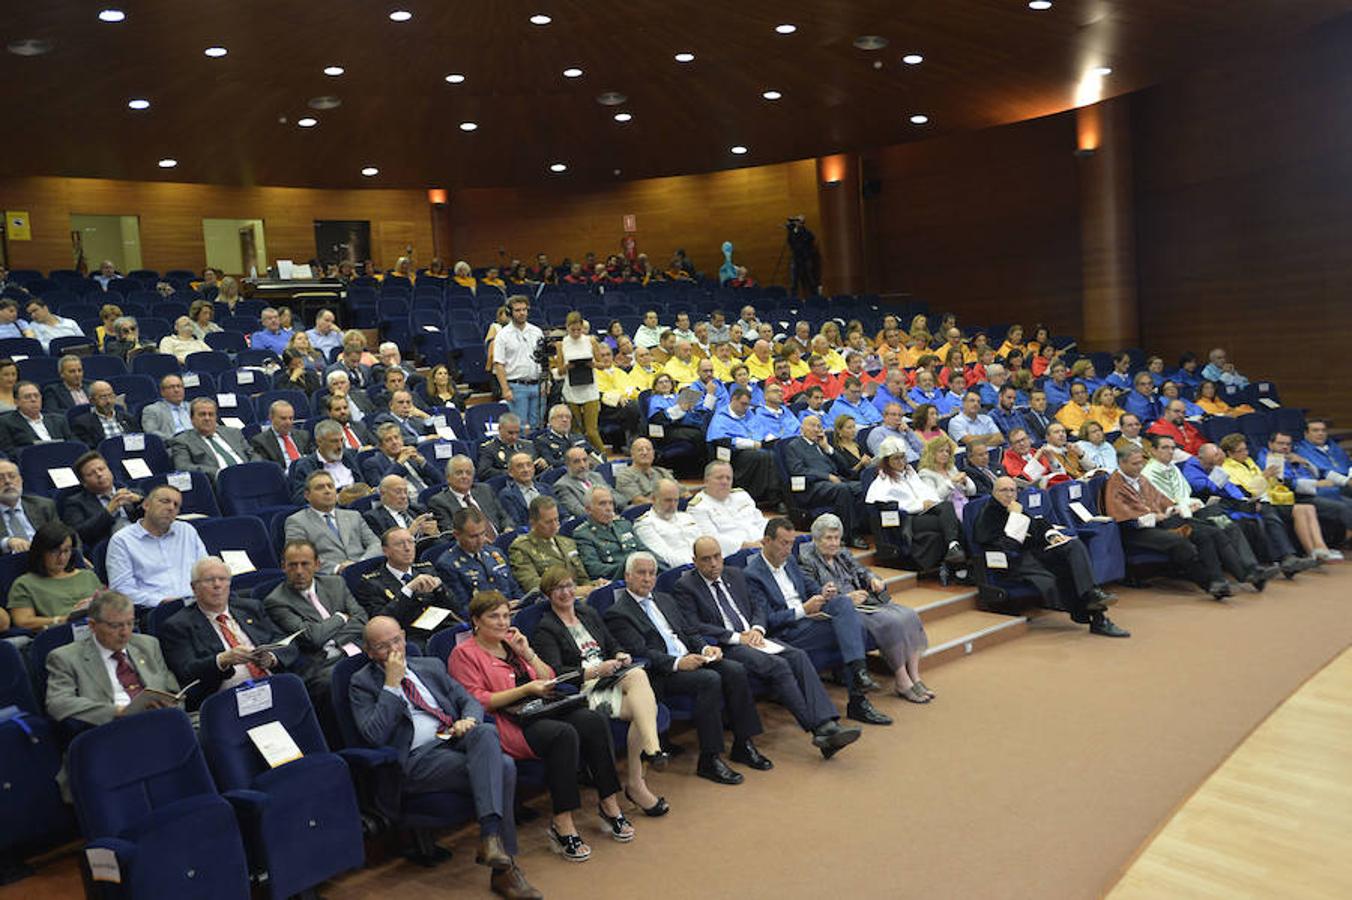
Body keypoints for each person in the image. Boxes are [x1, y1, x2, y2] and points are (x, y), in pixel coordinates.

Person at [352, 616, 539, 896]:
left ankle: (492, 842)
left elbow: (469, 701)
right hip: (418, 759)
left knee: (485, 731)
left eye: (396, 641)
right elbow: (374, 734)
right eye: (382, 646)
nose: (393, 650)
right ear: (368, 651)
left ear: (404, 636)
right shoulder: (361, 683)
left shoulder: (430, 666)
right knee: (504, 766)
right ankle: (504, 866)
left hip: (455, 739)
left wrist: (468, 720)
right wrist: (391, 685)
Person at [450, 591, 632, 863]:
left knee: (593, 721)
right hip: (509, 721)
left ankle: (609, 803)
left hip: (542, 707)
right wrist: (524, 689)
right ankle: (562, 823)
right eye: (494, 617)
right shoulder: (463, 654)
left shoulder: (511, 643)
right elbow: (477, 700)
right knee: (563, 734)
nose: (502, 622)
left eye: (506, 616)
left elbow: (549, 677)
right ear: (476, 621)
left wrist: (528, 653)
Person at [673, 536, 862, 757]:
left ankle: (828, 723)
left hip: (756, 637)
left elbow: (758, 606)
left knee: (798, 656)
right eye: (706, 559)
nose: (714, 563)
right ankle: (819, 730)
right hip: (728, 646)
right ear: (695, 561)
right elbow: (694, 626)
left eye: (717, 556)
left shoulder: (735, 574)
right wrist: (737, 638)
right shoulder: (685, 587)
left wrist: (757, 629)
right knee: (778, 665)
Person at [604, 552, 768, 784]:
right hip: (661, 674)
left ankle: (743, 743)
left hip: (691, 659)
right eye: (641, 573)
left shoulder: (664, 599)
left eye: (652, 573)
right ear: (628, 576)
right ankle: (709, 759)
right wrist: (678, 663)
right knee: (709, 680)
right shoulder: (618, 613)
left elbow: (690, 632)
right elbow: (641, 652)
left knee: (734, 670)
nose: (647, 578)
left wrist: (705, 649)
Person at [531, 565, 668, 816]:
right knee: (645, 705)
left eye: (569, 585)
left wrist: (620, 654)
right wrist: (595, 671)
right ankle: (645, 766)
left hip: (611, 677)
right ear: (548, 594)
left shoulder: (588, 613)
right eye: (558, 588)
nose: (566, 592)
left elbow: (611, 643)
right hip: (584, 690)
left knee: (639, 685)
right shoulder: (546, 628)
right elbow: (556, 672)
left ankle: (642, 771)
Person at [745, 518, 891, 725]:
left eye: (791, 544)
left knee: (843, 604)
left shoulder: (790, 561)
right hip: (787, 631)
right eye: (783, 543)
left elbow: (811, 587)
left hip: (808, 621)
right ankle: (858, 697)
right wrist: (803, 610)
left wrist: (824, 592)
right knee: (854, 628)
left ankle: (858, 676)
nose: (788, 549)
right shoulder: (752, 574)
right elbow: (767, 621)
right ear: (766, 541)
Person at [798, 513, 934, 701]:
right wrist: (846, 599)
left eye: (837, 538)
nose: (834, 543)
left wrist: (872, 579)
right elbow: (814, 594)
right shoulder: (806, 560)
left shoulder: (842, 553)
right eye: (828, 538)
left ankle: (915, 676)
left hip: (864, 601)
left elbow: (860, 570)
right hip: (842, 609)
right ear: (816, 539)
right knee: (891, 622)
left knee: (909, 615)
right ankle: (902, 680)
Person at [974, 478, 1127, 636]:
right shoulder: (988, 514)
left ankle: (1092, 593)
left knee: (1073, 546)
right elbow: (1008, 545)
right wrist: (1015, 517)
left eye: (1012, 490)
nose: (1009, 495)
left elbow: (1039, 525)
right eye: (1003, 490)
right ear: (994, 493)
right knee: (1063, 573)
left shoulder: (1015, 508)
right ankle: (1098, 618)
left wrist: (1052, 535)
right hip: (1014, 562)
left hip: (1035, 554)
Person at [158, 556, 299, 711]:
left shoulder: (250, 608)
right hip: (226, 698)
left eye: (222, 579)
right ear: (194, 587)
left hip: (271, 684)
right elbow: (186, 672)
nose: (217, 585)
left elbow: (285, 642)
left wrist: (271, 658)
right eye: (209, 580)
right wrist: (222, 660)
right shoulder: (178, 626)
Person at [1142, 435, 1279, 590]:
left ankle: (1251, 569)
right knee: (1216, 527)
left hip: (1193, 509)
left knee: (1226, 523)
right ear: (1153, 451)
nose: (1170, 451)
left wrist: (1194, 503)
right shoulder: (1151, 472)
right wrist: (1187, 505)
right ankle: (1246, 574)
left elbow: (1189, 492)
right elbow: (1165, 501)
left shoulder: (1173, 468)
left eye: (1173, 448)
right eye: (1165, 448)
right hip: (1173, 515)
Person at [1104, 446, 1234, 599]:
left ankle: (1218, 579)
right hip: (1135, 530)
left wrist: (1173, 509)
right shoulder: (1114, 484)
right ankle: (1209, 584)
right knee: (1178, 541)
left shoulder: (1141, 479)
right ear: (1121, 463)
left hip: (1158, 522)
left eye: (1141, 463)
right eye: (1135, 464)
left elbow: (1160, 500)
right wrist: (1153, 517)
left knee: (1203, 533)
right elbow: (1123, 518)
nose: (1140, 467)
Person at [45, 590, 179, 728]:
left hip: (160, 722)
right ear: (92, 626)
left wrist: (172, 705)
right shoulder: (66, 657)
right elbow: (58, 703)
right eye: (115, 626)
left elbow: (172, 689)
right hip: (111, 728)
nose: (125, 632)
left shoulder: (148, 645)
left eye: (130, 623)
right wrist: (118, 712)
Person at [264, 539, 369, 711]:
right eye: (293, 565)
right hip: (322, 663)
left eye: (305, 564)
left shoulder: (336, 583)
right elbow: (313, 637)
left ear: (317, 565)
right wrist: (341, 617)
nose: (299, 571)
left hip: (358, 647)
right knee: (332, 682)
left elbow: (362, 618)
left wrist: (333, 639)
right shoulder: (276, 601)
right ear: (283, 567)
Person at [1182, 443, 1316, 576]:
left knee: (1267, 512)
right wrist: (1218, 472)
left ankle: (1287, 558)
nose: (1219, 457)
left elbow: (1230, 488)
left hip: (1231, 503)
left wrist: (1244, 499)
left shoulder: (1216, 468)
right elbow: (1205, 487)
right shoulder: (1191, 469)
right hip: (1208, 508)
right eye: (1215, 455)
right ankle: (1257, 568)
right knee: (1236, 523)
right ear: (1201, 457)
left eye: (1219, 454)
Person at [866, 438, 968, 572]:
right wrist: (920, 505)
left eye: (902, 457)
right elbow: (890, 507)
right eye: (896, 459)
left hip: (925, 512)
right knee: (950, 523)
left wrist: (930, 501)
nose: (901, 462)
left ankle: (953, 547)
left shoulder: (910, 473)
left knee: (947, 507)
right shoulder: (882, 482)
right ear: (887, 461)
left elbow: (926, 491)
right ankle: (959, 564)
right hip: (909, 519)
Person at [106, 485, 206, 611]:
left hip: (198, 604)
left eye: (176, 505)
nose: (171, 508)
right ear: (146, 505)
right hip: (155, 610)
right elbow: (121, 590)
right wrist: (161, 602)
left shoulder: (186, 531)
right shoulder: (122, 540)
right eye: (165, 501)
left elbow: (205, 569)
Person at [351, 526, 462, 639]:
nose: (408, 548)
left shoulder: (426, 569)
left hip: (441, 629)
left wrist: (440, 588)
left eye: (411, 542)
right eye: (400, 544)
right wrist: (408, 590)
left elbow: (456, 607)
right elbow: (382, 622)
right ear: (385, 551)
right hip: (409, 637)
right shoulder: (372, 583)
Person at [784, 415, 867, 548]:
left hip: (834, 482)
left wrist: (827, 448)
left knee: (863, 487)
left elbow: (844, 467)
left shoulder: (822, 445)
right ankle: (850, 535)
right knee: (842, 489)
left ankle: (864, 527)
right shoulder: (794, 446)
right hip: (812, 486)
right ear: (802, 428)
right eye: (812, 425)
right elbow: (798, 470)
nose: (816, 429)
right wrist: (827, 476)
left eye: (819, 426)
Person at [7, 521, 102, 630]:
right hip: (60, 633)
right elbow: (23, 621)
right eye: (55, 551)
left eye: (66, 551)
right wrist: (63, 620)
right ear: (41, 552)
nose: (62, 558)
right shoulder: (25, 584)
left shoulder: (88, 576)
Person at [285, 471, 382, 574]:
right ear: (307, 495)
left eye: (330, 486)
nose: (327, 491)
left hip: (366, 572)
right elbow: (299, 556)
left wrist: (361, 563)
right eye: (320, 488)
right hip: (330, 576)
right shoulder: (296, 521)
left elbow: (375, 544)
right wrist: (338, 568)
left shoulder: (354, 516)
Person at [437, 507, 524, 615]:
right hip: (486, 619)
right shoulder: (447, 564)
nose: (480, 540)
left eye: (483, 533)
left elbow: (514, 589)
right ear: (457, 535)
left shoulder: (495, 553)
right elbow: (462, 608)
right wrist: (502, 609)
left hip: (514, 613)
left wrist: (522, 604)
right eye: (473, 536)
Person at [508, 497, 602, 595]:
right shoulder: (521, 548)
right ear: (533, 523)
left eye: (556, 519)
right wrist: (576, 591)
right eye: (548, 522)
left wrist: (596, 585)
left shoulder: (567, 542)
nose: (554, 526)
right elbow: (533, 586)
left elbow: (583, 579)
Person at [707, 387, 784, 507]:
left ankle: (772, 495)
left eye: (748, 404)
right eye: (743, 404)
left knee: (775, 453)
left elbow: (761, 430)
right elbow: (722, 440)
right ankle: (754, 495)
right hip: (732, 453)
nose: (746, 407)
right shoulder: (721, 416)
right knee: (760, 456)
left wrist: (772, 440)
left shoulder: (749, 414)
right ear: (733, 399)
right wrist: (753, 444)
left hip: (755, 448)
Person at [60, 451, 142, 547]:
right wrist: (108, 511)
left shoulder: (134, 493)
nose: (99, 474)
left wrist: (141, 502)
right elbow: (78, 534)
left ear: (110, 471)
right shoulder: (75, 503)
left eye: (101, 469)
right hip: (109, 546)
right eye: (91, 473)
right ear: (84, 483)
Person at [573, 485, 654, 580]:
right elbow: (594, 568)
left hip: (643, 575)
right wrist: (631, 569)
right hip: (617, 581)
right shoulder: (583, 534)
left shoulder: (624, 525)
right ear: (588, 509)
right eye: (602, 504)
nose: (609, 508)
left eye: (611, 503)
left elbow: (645, 551)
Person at [686, 460, 765, 556]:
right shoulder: (698, 507)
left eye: (728, 478)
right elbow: (711, 539)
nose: (725, 482)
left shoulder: (742, 496)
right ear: (706, 481)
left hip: (763, 547)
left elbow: (760, 522)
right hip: (735, 555)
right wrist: (748, 545)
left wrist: (768, 539)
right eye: (719, 478)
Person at [166, 397, 255, 479]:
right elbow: (183, 466)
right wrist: (219, 473)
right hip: (219, 482)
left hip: (249, 475)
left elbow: (252, 453)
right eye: (202, 414)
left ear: (216, 417)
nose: (207, 418)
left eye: (211, 414)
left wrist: (254, 468)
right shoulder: (182, 441)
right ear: (192, 419)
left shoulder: (233, 432)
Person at [492, 295, 545, 432]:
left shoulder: (537, 331)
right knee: (519, 427)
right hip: (516, 386)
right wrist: (505, 389)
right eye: (517, 310)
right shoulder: (503, 335)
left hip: (538, 385)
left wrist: (546, 382)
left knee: (538, 426)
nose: (522, 313)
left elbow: (543, 359)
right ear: (510, 312)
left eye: (524, 309)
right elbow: (499, 364)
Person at [429, 455, 513, 537]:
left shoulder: (485, 490)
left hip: (500, 538)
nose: (464, 476)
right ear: (448, 477)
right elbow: (451, 534)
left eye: (468, 473)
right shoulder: (439, 502)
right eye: (459, 473)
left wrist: (508, 528)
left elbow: (503, 516)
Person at [633, 479, 706, 569]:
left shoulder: (687, 517)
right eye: (668, 500)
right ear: (654, 499)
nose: (673, 505)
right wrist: (699, 565)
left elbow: (704, 544)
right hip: (682, 571)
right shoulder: (645, 524)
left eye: (676, 500)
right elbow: (666, 558)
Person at [362, 422, 441, 493]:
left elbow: (440, 480)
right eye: (388, 440)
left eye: (396, 437)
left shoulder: (412, 456)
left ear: (402, 440)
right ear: (381, 446)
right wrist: (399, 463)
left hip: (429, 495)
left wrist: (422, 462)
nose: (394, 442)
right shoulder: (372, 464)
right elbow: (381, 490)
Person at [0, 381, 74, 451]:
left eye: (36, 396)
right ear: (16, 402)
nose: (33, 399)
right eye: (27, 397)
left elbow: (73, 444)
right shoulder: (6, 422)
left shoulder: (58, 420)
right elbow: (9, 451)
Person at [918, 435, 977, 521]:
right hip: (947, 512)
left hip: (964, 503)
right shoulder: (925, 473)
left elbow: (972, 492)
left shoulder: (951, 469)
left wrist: (966, 482)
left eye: (947, 451)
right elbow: (934, 499)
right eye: (941, 451)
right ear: (932, 453)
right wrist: (951, 482)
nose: (945, 454)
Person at [248, 400, 312, 473]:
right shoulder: (261, 441)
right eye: (283, 418)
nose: (288, 422)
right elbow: (268, 469)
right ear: (271, 418)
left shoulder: (303, 435)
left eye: (291, 418)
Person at [477, 413, 546, 480]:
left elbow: (534, 468)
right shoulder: (489, 448)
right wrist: (513, 472)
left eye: (517, 432)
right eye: (510, 433)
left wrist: (541, 465)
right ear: (499, 429)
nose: (514, 437)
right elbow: (484, 472)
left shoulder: (528, 445)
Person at [614, 437, 680, 506]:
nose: (645, 452)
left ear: (653, 454)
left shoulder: (662, 472)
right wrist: (665, 505)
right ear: (632, 454)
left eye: (648, 450)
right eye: (640, 450)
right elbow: (638, 500)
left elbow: (681, 491)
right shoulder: (625, 475)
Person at [499, 452, 556, 529]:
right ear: (510, 472)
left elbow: (562, 513)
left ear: (533, 469)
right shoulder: (507, 495)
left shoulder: (546, 488)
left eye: (529, 465)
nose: (526, 470)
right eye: (520, 466)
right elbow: (517, 524)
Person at [70, 380, 135, 447]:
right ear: (92, 401)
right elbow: (90, 449)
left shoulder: (127, 418)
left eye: (110, 396)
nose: (108, 401)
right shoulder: (83, 424)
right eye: (103, 397)